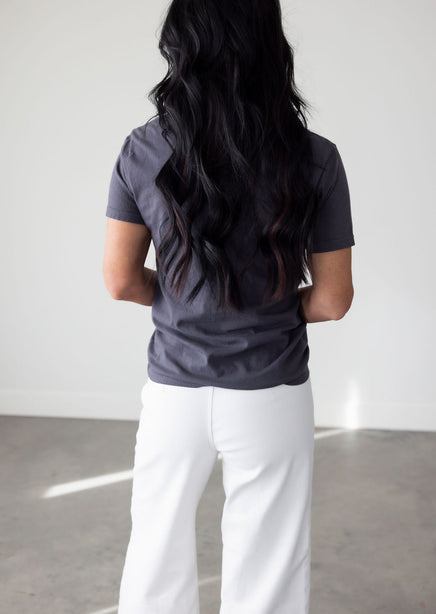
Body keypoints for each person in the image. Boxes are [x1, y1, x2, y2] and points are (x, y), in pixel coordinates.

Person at [102, 0, 355, 612]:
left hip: (174, 390)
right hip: (271, 388)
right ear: (270, 45)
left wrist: (185, 299)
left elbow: (119, 280)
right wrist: (268, 306)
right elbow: (332, 300)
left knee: (154, 553)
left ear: (181, 45)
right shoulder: (315, 157)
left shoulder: (142, 149)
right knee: (269, 567)